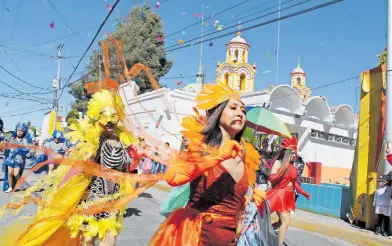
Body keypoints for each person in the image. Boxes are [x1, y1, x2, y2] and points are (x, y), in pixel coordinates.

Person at [0, 90, 137, 246]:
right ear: (98, 119)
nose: (109, 121)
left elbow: (126, 171)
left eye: (113, 117)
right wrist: (59, 191)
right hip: (90, 201)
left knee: (110, 239)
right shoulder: (92, 141)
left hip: (112, 201)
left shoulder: (121, 142)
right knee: (88, 241)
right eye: (105, 117)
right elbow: (76, 169)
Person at [150, 83, 265, 246]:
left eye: (243, 111)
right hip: (195, 237)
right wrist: (217, 156)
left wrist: (251, 199)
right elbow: (173, 177)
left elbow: (232, 201)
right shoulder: (200, 146)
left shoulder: (245, 155)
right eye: (233, 108)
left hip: (228, 240)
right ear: (218, 113)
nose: (240, 113)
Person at [267, 137, 310, 244]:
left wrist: (304, 193)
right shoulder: (279, 163)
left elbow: (295, 184)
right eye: (293, 153)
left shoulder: (293, 167)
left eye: (296, 153)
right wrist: (282, 172)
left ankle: (261, 232)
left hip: (288, 197)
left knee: (280, 222)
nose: (295, 155)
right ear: (288, 153)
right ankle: (279, 244)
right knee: (286, 221)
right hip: (279, 195)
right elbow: (271, 179)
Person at [2, 122, 33, 193]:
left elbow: (28, 149)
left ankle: (22, 184)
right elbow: (6, 145)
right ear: (16, 130)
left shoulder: (25, 140)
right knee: (9, 173)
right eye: (18, 130)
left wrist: (22, 149)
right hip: (10, 158)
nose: (19, 132)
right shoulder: (11, 138)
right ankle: (10, 187)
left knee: (16, 174)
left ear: (24, 132)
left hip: (19, 160)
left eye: (21, 131)